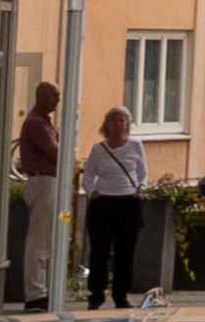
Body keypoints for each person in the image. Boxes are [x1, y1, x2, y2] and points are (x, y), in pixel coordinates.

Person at [78, 107, 151, 311]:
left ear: (127, 125)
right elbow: (88, 176)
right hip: (104, 203)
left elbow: (143, 172)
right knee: (99, 251)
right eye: (114, 121)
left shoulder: (136, 146)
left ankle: (121, 295)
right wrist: (92, 191)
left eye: (122, 121)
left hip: (129, 202)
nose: (118, 125)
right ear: (107, 125)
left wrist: (142, 187)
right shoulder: (98, 149)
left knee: (125, 252)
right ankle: (97, 294)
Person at [9, 83, 62, 310]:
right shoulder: (36, 123)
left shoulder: (45, 123)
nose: (57, 100)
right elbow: (56, 153)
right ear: (40, 96)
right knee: (39, 241)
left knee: (49, 239)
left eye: (58, 96)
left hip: (50, 183)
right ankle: (35, 295)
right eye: (53, 96)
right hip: (43, 183)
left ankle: (44, 290)